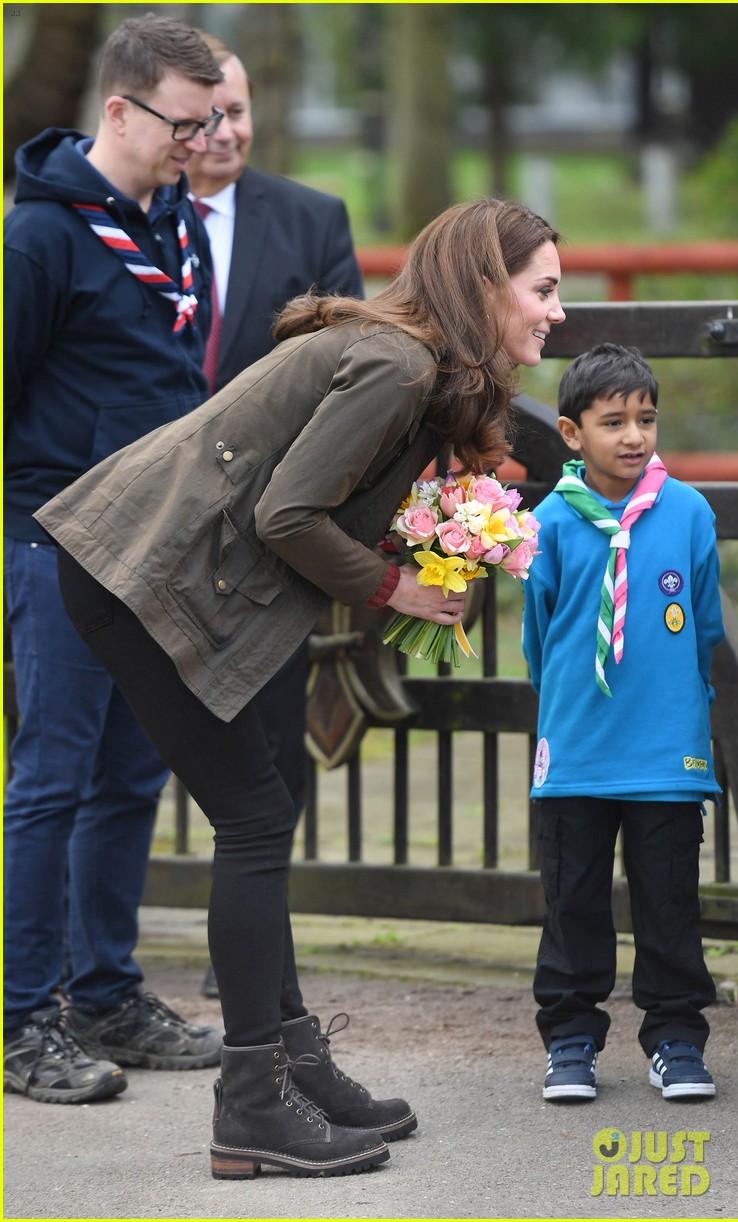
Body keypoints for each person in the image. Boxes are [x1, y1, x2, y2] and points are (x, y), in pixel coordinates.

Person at [36, 197, 565, 1177]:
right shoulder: (398, 363)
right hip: (134, 570)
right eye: (540, 291)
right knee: (251, 819)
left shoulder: (412, 365)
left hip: (150, 566)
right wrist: (392, 583)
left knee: (257, 813)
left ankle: (293, 1063)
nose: (555, 313)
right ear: (485, 288)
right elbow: (288, 513)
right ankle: (250, 1108)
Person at [3, 14, 226, 1106]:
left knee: (129, 776)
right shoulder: (40, 238)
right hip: (58, 541)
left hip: (156, 549)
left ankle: (106, 994)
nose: (204, 141)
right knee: (48, 783)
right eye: (187, 124)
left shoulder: (174, 220)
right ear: (122, 110)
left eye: (215, 119)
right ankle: (18, 1020)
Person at [186, 33, 365, 998]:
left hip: (270, 520)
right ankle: (99, 955)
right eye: (209, 113)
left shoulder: (309, 216)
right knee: (131, 747)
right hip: (161, 514)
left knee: (270, 729)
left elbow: (347, 363)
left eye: (240, 110)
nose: (228, 130)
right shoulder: (136, 219)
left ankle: (250, 953)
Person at [521, 343, 724, 1105]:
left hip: (664, 750)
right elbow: (539, 638)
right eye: (612, 422)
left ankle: (675, 1039)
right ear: (572, 434)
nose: (633, 436)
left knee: (668, 901)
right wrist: (567, 712)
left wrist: (676, 710)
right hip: (576, 748)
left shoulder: (688, 512)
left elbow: (702, 625)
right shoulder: (548, 525)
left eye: (645, 418)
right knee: (571, 901)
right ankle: (569, 1040)